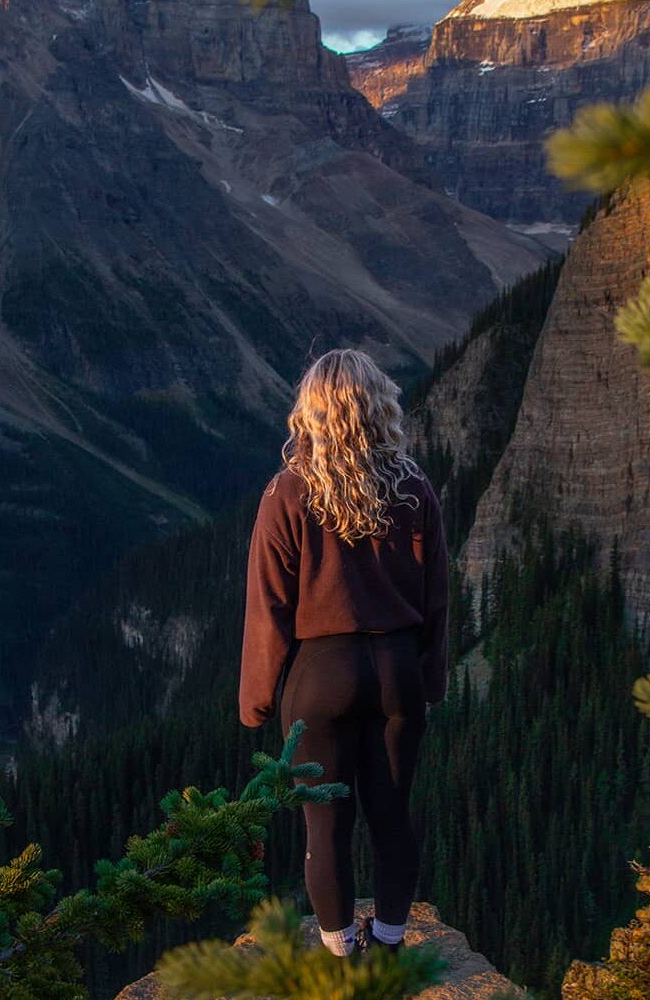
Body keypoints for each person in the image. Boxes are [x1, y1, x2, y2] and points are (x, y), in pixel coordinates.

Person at [238, 348, 449, 959]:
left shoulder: (287, 490)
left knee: (325, 824)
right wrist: (428, 679)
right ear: (378, 406)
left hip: (320, 676)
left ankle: (339, 953)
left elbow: (268, 605)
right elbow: (437, 598)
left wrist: (257, 700)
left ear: (311, 411)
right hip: (397, 674)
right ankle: (387, 943)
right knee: (392, 817)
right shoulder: (414, 488)